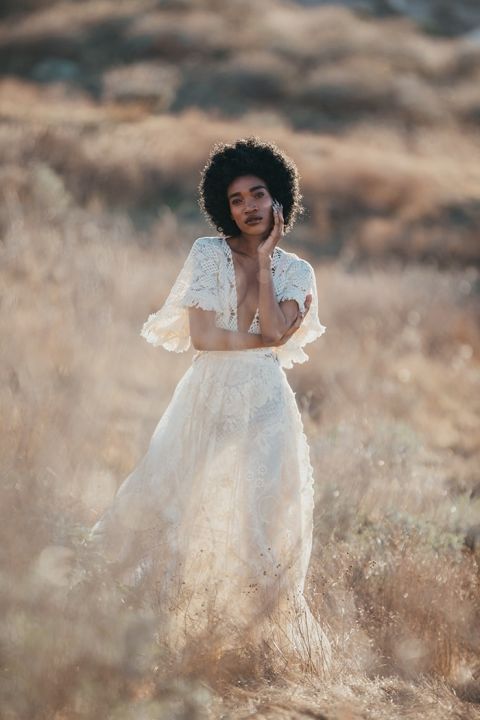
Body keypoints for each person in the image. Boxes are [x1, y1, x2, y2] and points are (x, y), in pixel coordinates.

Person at [87, 137, 331, 675]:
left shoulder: (298, 271)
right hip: (204, 398)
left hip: (267, 407)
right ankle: (160, 639)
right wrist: (266, 342)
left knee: (258, 520)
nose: (248, 207)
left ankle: (256, 649)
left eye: (258, 194)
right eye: (237, 198)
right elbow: (204, 338)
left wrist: (265, 265)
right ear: (225, 205)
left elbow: (270, 329)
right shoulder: (205, 253)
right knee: (178, 505)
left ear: (278, 199)